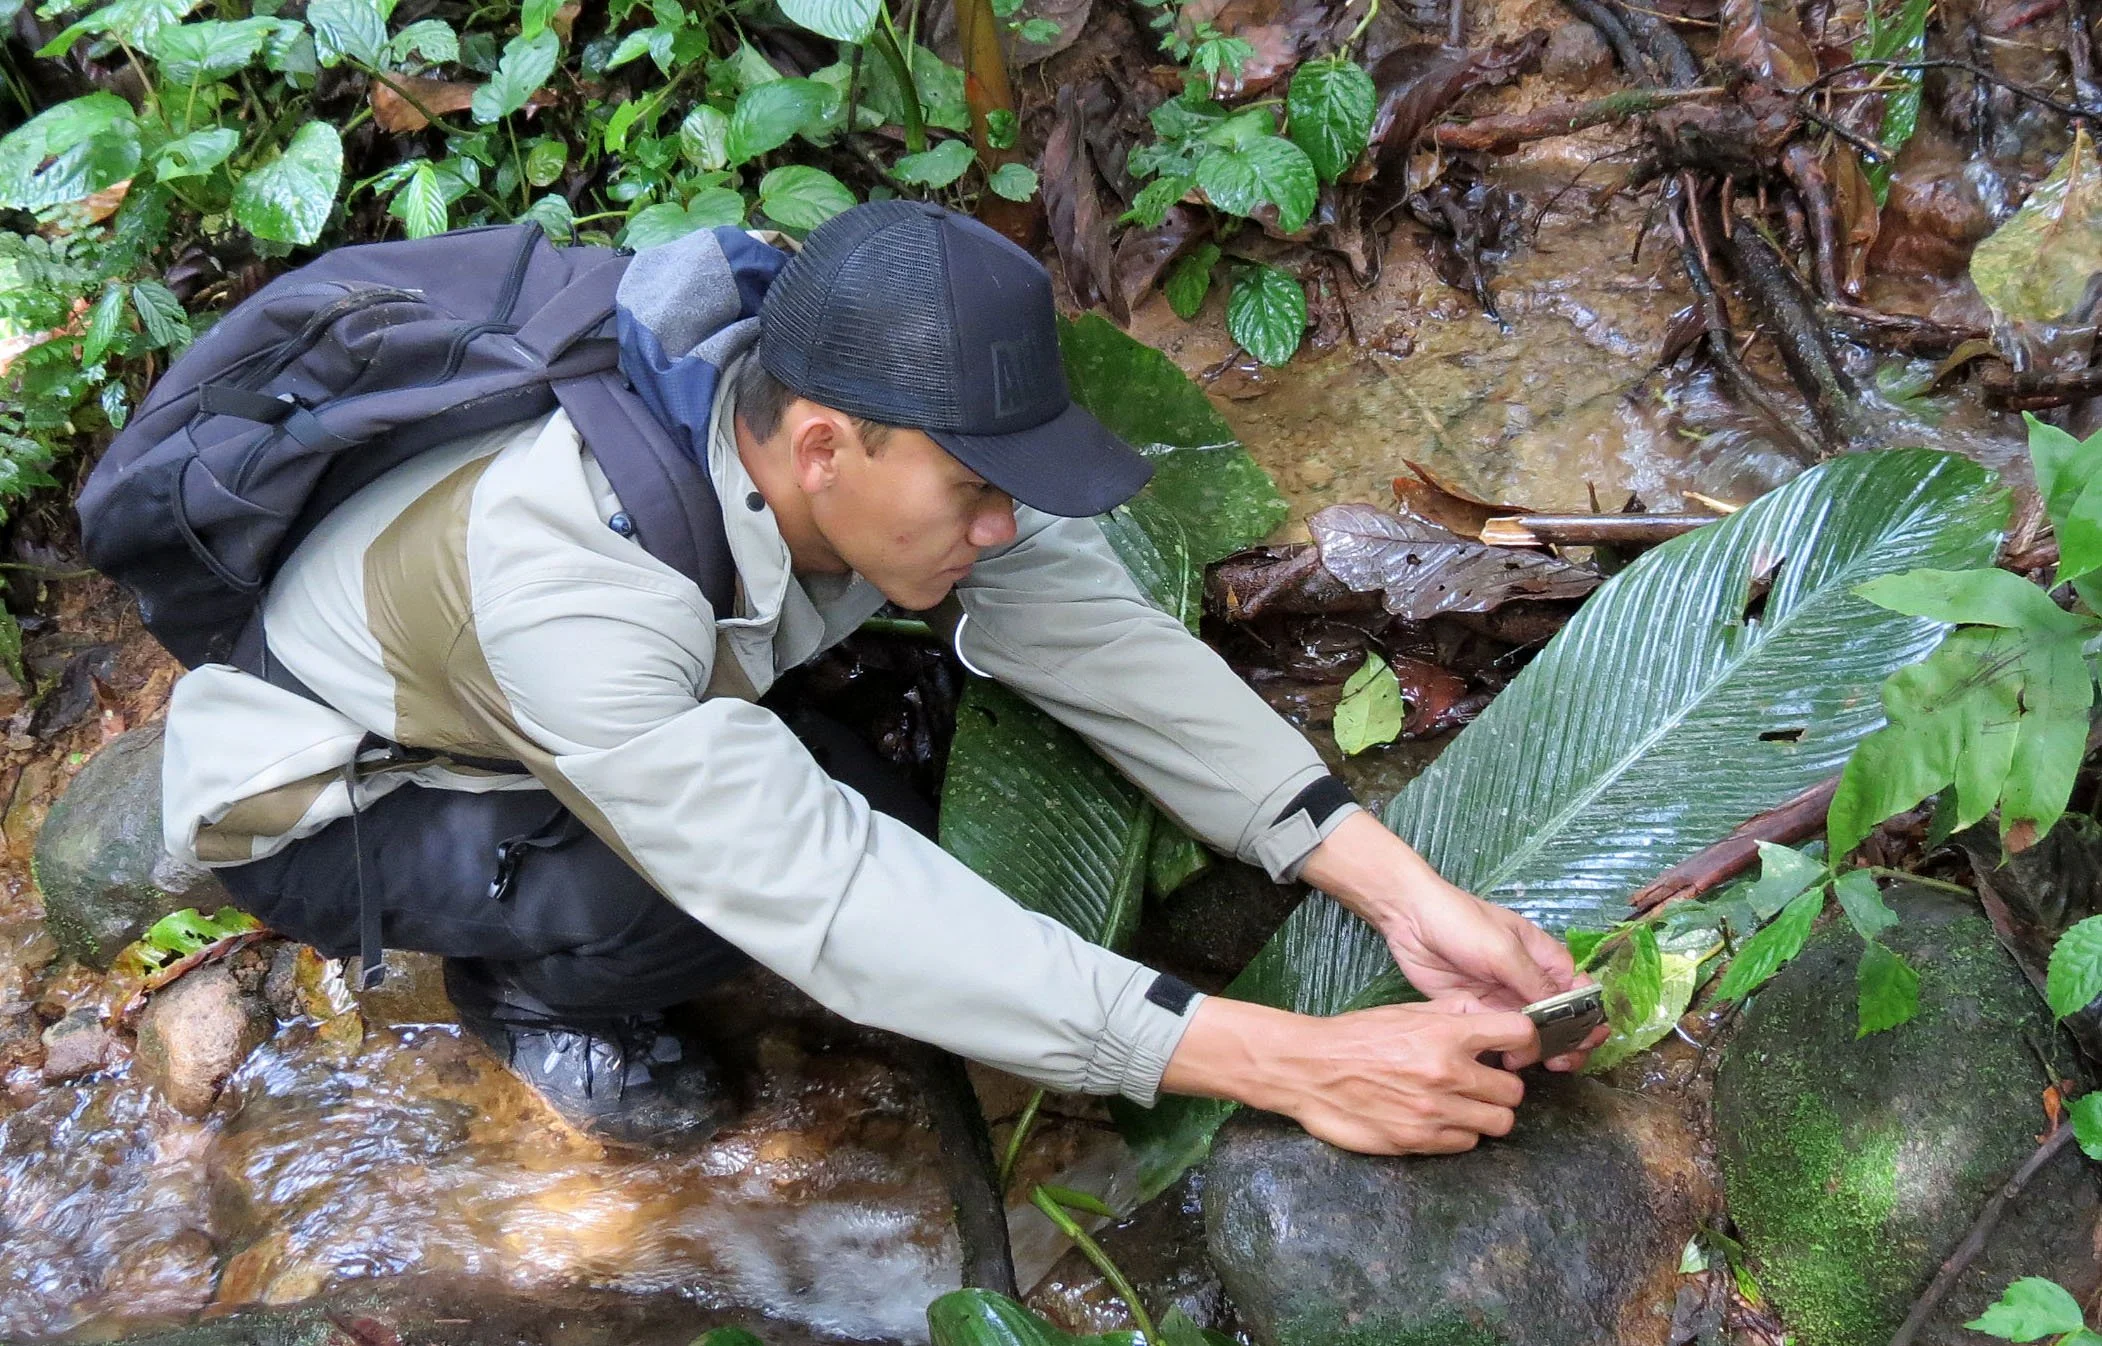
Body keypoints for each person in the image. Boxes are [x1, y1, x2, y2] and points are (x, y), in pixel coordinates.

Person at [158, 199, 1602, 1153]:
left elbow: (1089, 633)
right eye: (976, 489)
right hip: (351, 789)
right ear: (824, 447)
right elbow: (833, 903)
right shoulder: (575, 589)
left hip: (566, 691)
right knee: (706, 898)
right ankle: (535, 997)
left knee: (881, 792)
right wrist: (1295, 1061)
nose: (999, 523)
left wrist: (1396, 887)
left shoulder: (852, 388)